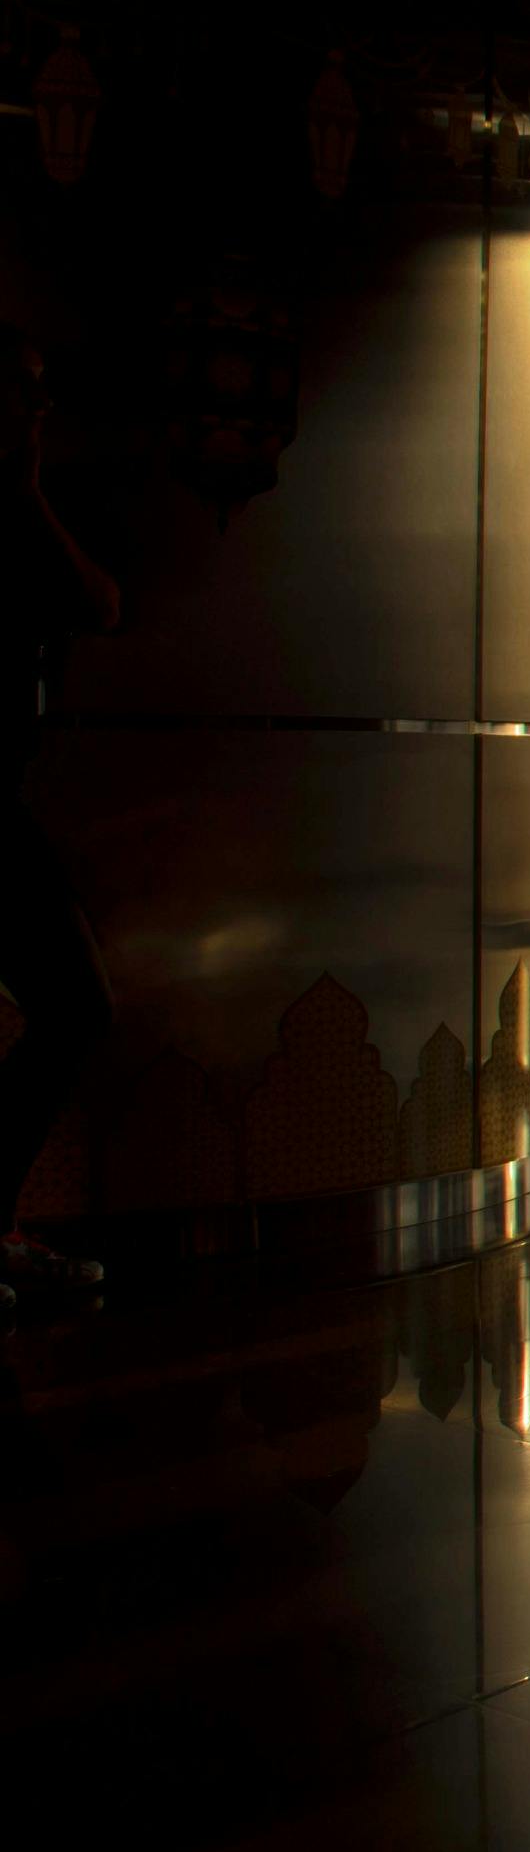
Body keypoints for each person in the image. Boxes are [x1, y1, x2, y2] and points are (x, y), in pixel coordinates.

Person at [0, 327, 116, 1314]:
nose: (40, 414)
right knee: (76, 1008)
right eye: (23, 395)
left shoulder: (22, 512)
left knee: (76, 1011)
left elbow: (100, 605)